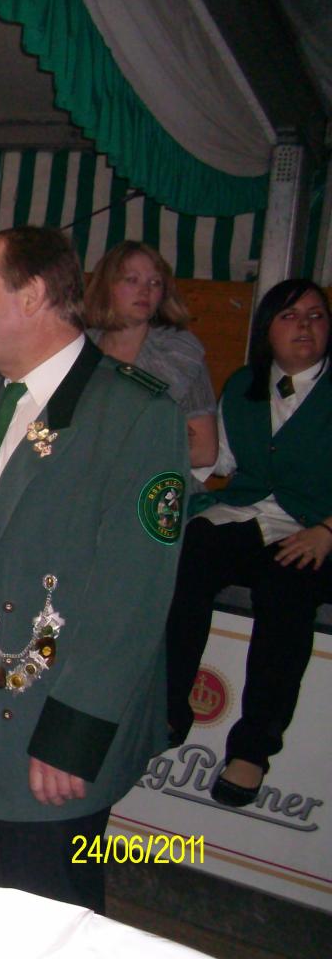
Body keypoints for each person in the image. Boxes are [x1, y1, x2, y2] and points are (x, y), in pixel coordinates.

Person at [0, 226, 187, 912]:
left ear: (31, 296)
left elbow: (134, 597)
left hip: (46, 732)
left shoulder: (136, 413)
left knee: (47, 916)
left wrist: (72, 738)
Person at [166, 279, 332, 807]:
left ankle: (253, 749)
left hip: (320, 529)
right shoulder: (243, 386)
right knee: (190, 551)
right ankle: (167, 708)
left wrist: (327, 531)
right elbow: (217, 461)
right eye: (290, 316)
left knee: (288, 585)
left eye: (315, 315)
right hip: (252, 515)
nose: (304, 326)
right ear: (267, 330)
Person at [85, 241, 218, 468]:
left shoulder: (180, 353)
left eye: (155, 282)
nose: (145, 290)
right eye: (132, 279)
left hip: (149, 480)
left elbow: (204, 452)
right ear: (107, 286)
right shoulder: (79, 349)